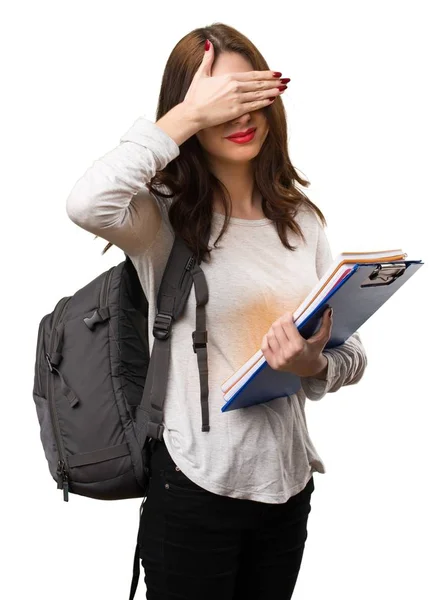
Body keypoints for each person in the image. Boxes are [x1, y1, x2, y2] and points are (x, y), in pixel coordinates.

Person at [66, 22, 367, 600]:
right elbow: (86, 202)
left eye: (248, 95)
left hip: (287, 487)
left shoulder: (303, 222)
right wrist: (185, 117)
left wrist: (313, 368)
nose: (239, 116)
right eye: (219, 103)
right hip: (195, 486)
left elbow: (348, 349)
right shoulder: (160, 217)